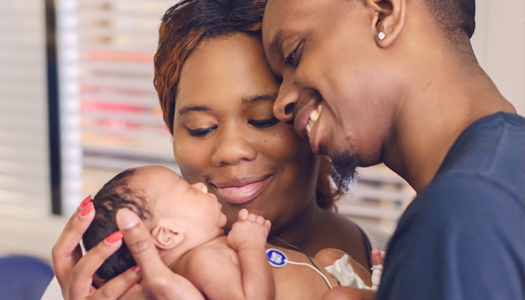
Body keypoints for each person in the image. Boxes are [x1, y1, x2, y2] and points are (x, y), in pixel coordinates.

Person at [47, 1, 386, 299]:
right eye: (201, 128)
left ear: (310, 117)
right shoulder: (101, 290)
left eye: (262, 119)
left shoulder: (403, 256)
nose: (230, 150)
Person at [261, 0, 525, 299]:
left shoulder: (461, 217)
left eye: (294, 54)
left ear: (384, 14)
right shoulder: (503, 174)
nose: (280, 104)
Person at [82, 165, 377, 299]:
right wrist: (250, 244)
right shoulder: (201, 261)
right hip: (333, 294)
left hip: (331, 276)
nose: (199, 186)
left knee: (330, 255)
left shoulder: (215, 248)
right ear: (167, 235)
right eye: (187, 190)